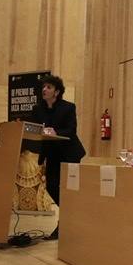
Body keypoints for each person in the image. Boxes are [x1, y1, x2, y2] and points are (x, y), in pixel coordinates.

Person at [28, 75, 86, 239]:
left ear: (57, 91)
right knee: (51, 186)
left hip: (69, 153)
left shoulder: (68, 107)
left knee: (68, 189)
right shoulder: (38, 109)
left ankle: (66, 223)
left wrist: (56, 132)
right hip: (52, 153)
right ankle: (70, 217)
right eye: (43, 87)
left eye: (49, 87)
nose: (44, 90)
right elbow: (33, 128)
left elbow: (71, 130)